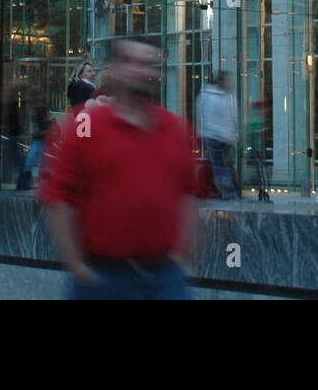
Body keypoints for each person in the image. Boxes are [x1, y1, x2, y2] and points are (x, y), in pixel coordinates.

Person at [39, 36, 199, 300]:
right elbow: (58, 198)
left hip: (163, 277)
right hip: (103, 277)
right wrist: (77, 265)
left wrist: (181, 257)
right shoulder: (88, 126)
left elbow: (189, 195)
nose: (138, 70)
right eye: (129, 61)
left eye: (147, 63)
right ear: (115, 69)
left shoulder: (175, 129)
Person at [196, 69, 239, 199]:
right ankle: (228, 193)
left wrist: (233, 134)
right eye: (226, 80)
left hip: (224, 137)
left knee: (224, 166)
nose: (229, 84)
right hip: (215, 137)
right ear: (220, 81)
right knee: (221, 167)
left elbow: (232, 117)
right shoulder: (210, 96)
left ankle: (227, 191)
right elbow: (207, 118)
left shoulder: (225, 97)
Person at [19, 91, 52, 190]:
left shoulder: (39, 109)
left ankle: (28, 183)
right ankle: (45, 184)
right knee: (41, 162)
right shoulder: (38, 109)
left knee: (32, 161)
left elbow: (43, 125)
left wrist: (42, 132)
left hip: (39, 138)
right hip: (39, 138)